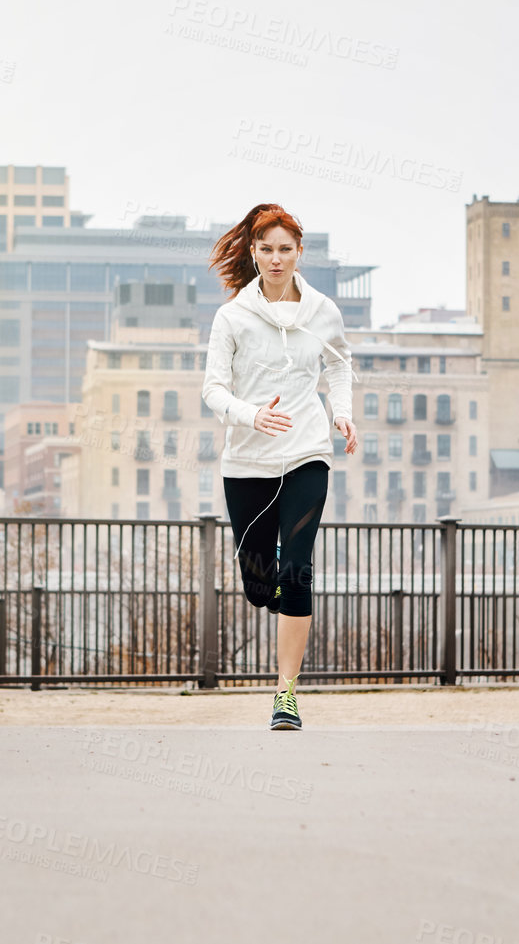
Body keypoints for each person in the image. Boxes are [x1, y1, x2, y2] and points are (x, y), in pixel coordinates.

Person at [201, 203, 357, 730]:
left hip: (307, 453)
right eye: (265, 249)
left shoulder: (322, 311)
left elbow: (339, 365)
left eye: (285, 249)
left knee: (296, 570)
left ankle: (285, 693)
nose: (275, 258)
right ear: (253, 252)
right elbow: (213, 390)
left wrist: (343, 414)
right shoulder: (233, 317)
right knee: (258, 582)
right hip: (247, 460)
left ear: (299, 253)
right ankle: (263, 585)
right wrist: (250, 415)